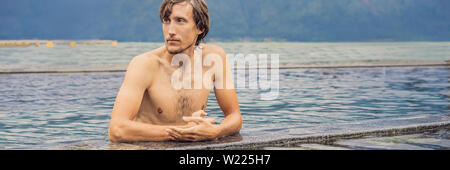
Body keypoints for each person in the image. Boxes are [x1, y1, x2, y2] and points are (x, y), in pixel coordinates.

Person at [108, 0, 242, 142]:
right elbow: (117, 130)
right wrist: (185, 132)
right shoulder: (144, 65)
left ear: (200, 27)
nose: (171, 31)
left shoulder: (214, 59)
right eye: (166, 21)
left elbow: (235, 116)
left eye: (180, 21)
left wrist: (215, 131)